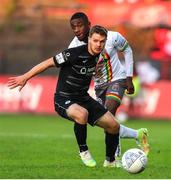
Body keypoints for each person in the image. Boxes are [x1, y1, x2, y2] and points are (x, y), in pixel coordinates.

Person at [8, 25, 121, 167]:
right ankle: (83, 151)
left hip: (83, 98)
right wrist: (25, 77)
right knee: (82, 114)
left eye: (102, 41)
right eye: (95, 41)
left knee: (114, 126)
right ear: (89, 39)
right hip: (63, 98)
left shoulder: (99, 53)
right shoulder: (73, 54)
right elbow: (47, 63)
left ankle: (110, 161)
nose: (99, 44)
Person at [68, 12, 150, 166]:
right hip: (98, 86)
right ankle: (138, 134)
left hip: (116, 80)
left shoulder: (112, 37)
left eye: (80, 26)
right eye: (74, 27)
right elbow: (74, 70)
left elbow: (127, 50)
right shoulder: (74, 47)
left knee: (110, 112)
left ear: (89, 24)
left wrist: (129, 77)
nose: (77, 30)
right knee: (108, 124)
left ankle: (114, 159)